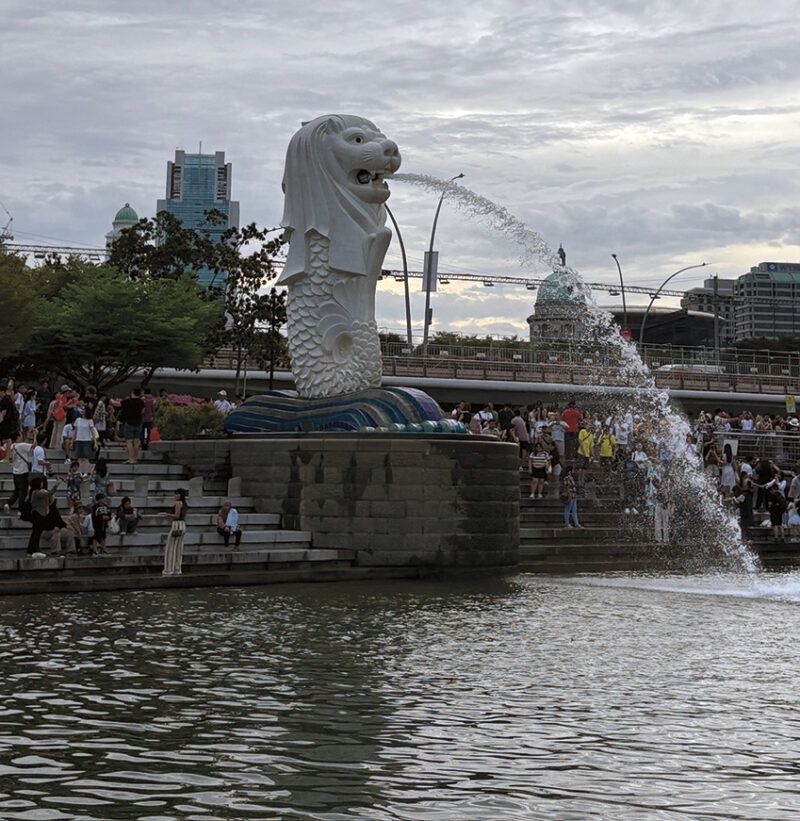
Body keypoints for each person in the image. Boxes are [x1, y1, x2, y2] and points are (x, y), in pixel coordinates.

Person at [3, 431, 33, 512]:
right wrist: (35, 435)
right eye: (20, 435)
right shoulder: (22, 445)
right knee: (23, 492)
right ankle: (21, 509)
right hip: (23, 472)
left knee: (16, 490)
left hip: (15, 472)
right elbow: (34, 445)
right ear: (18, 437)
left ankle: (9, 503)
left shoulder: (12, 446)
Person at [161, 488, 187, 576]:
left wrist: (166, 514)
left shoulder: (178, 503)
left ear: (181, 495)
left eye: (177, 494)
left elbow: (176, 515)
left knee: (170, 547)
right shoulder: (184, 503)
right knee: (178, 548)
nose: (175, 496)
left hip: (176, 525)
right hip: (182, 524)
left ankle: (169, 569)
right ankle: (177, 568)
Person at [27, 477, 54, 555]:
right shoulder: (36, 492)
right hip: (38, 514)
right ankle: (35, 550)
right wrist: (56, 485)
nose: (42, 484)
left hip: (41, 514)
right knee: (37, 533)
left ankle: (30, 550)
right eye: (41, 482)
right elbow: (49, 493)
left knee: (35, 532)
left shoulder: (37, 492)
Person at [118, 388, 144, 464]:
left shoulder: (127, 401)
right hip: (138, 423)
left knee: (129, 441)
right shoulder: (141, 402)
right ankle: (135, 459)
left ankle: (131, 459)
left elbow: (118, 404)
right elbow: (143, 411)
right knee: (136, 441)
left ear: (132, 393)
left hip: (129, 422)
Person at [72, 407, 96, 475]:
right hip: (78, 440)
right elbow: (75, 431)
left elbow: (93, 432)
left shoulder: (90, 421)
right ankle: (79, 471)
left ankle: (85, 471)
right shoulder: (78, 420)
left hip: (87, 441)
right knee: (79, 458)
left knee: (86, 458)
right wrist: (72, 441)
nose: (82, 411)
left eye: (83, 410)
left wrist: (95, 442)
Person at [0, 384, 19, 461]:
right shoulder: (5, 400)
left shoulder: (5, 400)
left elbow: (3, 413)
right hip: (8, 422)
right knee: (6, 439)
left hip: (7, 423)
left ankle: (7, 457)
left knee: (8, 438)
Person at [576, 421, 594, 489]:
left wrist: (592, 454)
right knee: (580, 467)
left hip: (587, 454)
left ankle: (582, 480)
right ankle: (579, 481)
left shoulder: (591, 435)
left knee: (585, 468)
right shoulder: (582, 431)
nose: (589, 426)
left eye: (590, 425)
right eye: (588, 425)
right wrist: (583, 449)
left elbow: (591, 446)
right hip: (581, 452)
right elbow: (580, 440)